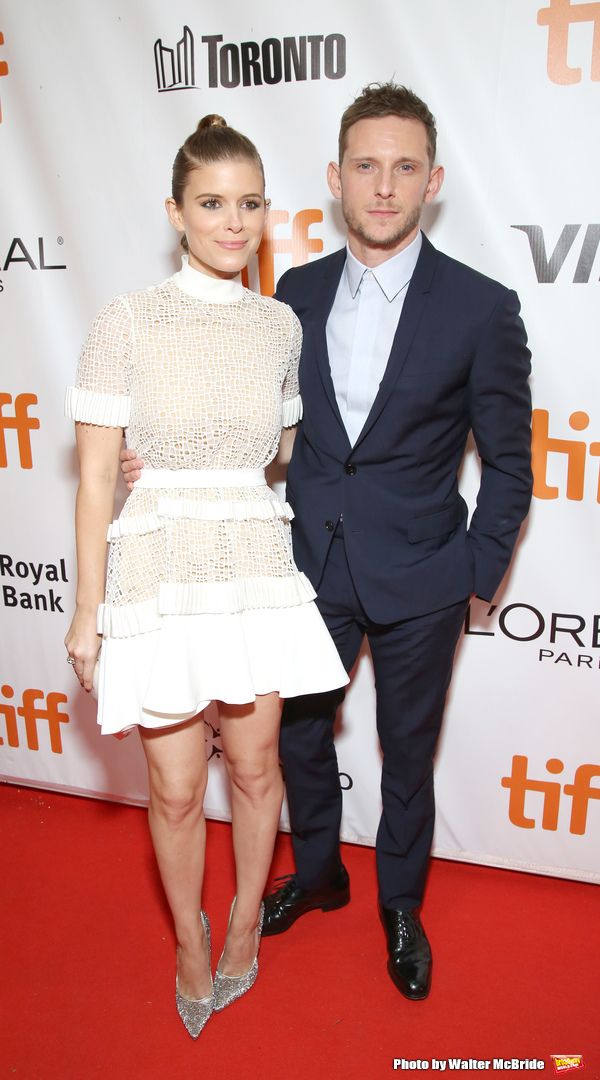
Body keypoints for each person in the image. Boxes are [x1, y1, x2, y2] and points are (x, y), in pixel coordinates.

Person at [121, 83, 533, 1002]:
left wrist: (475, 569)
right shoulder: (289, 296)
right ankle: (317, 874)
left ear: (433, 182)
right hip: (301, 568)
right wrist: (162, 464)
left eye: (403, 167)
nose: (383, 186)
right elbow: (250, 424)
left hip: (425, 571)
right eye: (365, 166)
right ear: (334, 179)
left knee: (406, 747)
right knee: (293, 744)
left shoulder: (481, 307)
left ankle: (399, 905)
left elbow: (510, 462)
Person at [64, 114, 348, 1039]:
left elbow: (279, 453)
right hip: (157, 569)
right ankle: (187, 936)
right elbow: (100, 474)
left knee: (259, 771)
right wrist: (86, 611)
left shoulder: (279, 325)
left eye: (251, 203)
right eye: (214, 203)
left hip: (253, 566)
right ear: (176, 212)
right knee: (177, 787)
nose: (235, 222)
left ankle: (240, 924)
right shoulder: (129, 319)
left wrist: (209, 460)